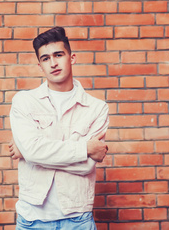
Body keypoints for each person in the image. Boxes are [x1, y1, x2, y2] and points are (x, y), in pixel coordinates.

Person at [8, 26, 110, 229]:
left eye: (58, 55)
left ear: (72, 58)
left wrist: (30, 154)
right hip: (32, 220)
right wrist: (85, 149)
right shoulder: (24, 102)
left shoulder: (96, 108)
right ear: (40, 66)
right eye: (45, 58)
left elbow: (86, 166)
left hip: (77, 220)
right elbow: (35, 151)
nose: (53, 63)